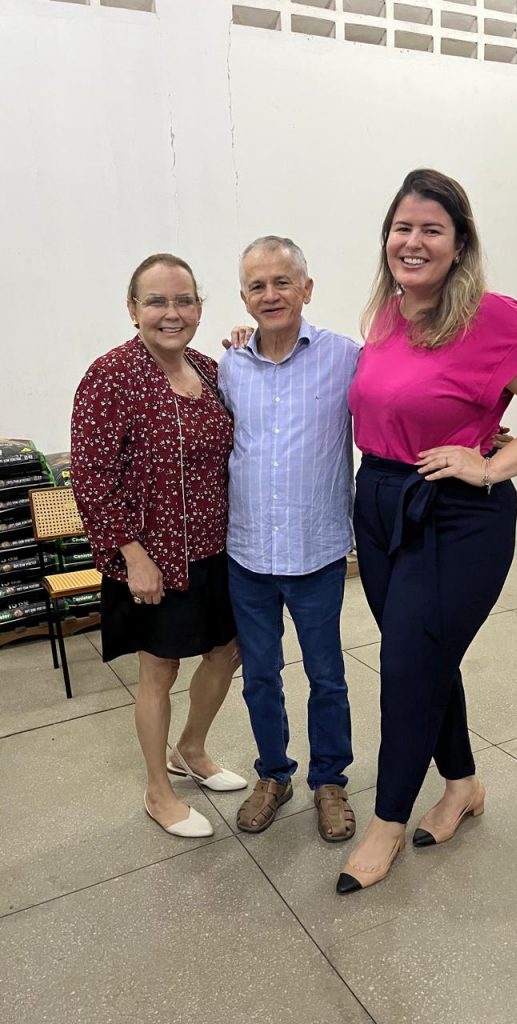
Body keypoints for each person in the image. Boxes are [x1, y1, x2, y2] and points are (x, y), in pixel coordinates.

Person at [338, 168, 517, 893]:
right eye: (402, 228)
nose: (412, 242)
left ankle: (386, 821)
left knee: (409, 664)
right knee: (426, 656)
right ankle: (464, 784)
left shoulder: (494, 317)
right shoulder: (387, 315)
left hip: (455, 514)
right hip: (381, 501)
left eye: (431, 230)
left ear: (460, 242)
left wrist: (494, 464)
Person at [71, 253, 246, 839]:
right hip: (154, 557)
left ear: (198, 307)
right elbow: (91, 476)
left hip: (218, 550)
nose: (172, 313)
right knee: (159, 669)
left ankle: (190, 749)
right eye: (157, 301)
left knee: (227, 652)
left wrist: (248, 346)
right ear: (133, 309)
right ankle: (157, 789)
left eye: (184, 300)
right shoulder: (111, 376)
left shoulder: (211, 370)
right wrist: (131, 554)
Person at [218, 236, 361, 842]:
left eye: (283, 282)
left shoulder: (346, 357)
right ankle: (273, 774)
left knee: (327, 676)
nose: (270, 294)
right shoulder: (229, 365)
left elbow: (401, 403)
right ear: (244, 296)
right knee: (260, 677)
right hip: (248, 554)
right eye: (258, 285)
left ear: (307, 288)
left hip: (316, 551)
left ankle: (329, 781)